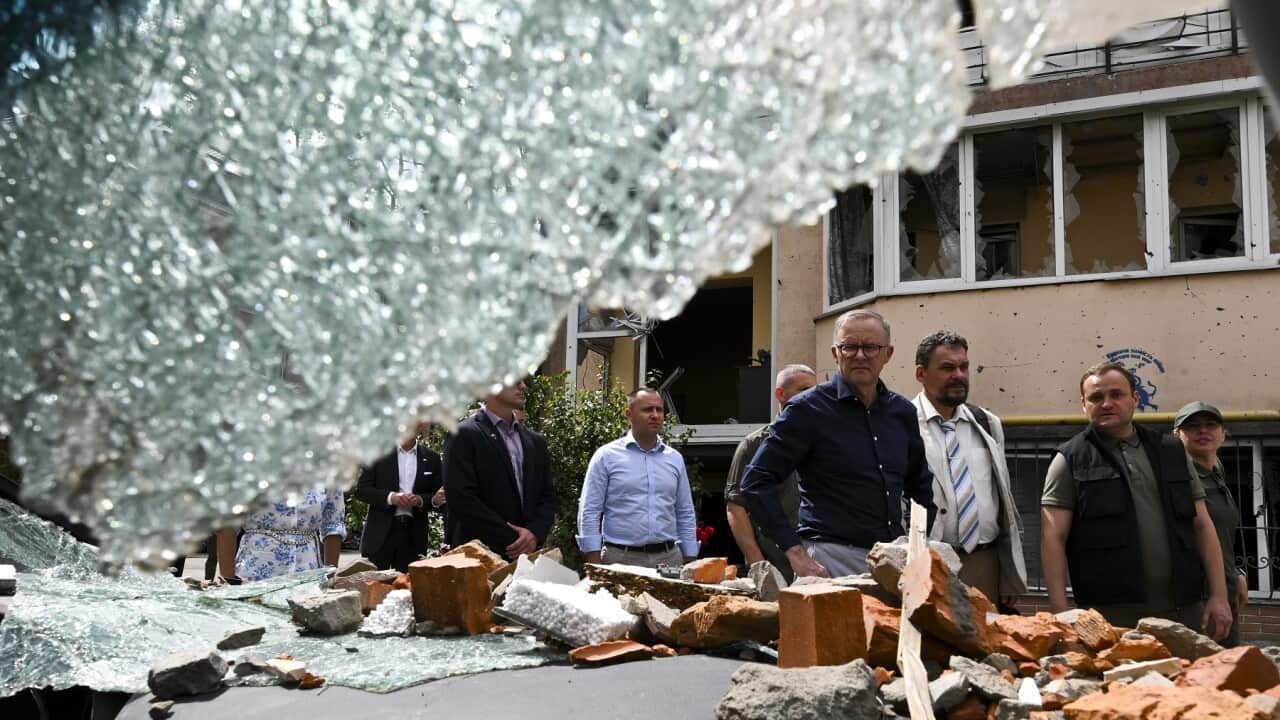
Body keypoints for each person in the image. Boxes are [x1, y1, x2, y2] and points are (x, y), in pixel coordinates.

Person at [1040, 361, 1232, 639]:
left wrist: (1219, 596)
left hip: (1184, 611)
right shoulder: (1069, 459)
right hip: (1111, 619)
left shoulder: (1172, 451)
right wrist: (1060, 614)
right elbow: (1052, 539)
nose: (1106, 403)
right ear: (1084, 404)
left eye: (1116, 394)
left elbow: (1202, 525)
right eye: (1096, 397)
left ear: (1135, 398)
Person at [741, 309, 935, 579]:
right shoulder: (806, 410)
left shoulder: (901, 413)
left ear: (888, 354)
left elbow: (921, 489)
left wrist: (917, 547)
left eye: (870, 347)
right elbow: (755, 482)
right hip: (829, 564)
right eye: (849, 347)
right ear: (835, 352)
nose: (859, 355)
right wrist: (794, 552)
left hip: (893, 562)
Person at [911, 331, 1027, 605]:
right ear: (921, 373)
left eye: (964, 367)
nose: (959, 375)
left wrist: (1008, 572)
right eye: (947, 368)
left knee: (988, 644)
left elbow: (1003, 501)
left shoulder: (986, 423)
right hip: (930, 563)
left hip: (985, 562)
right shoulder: (903, 423)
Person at [576, 387, 700, 568]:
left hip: (668, 559)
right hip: (620, 559)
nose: (655, 415)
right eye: (647, 409)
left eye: (659, 409)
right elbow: (590, 510)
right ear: (629, 414)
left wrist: (690, 557)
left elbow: (685, 511)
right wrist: (593, 561)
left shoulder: (674, 459)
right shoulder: (606, 456)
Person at [444, 380, 557, 561]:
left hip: (526, 558)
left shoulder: (536, 442)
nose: (523, 386)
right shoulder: (464, 434)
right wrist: (514, 539)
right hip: (477, 558)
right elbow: (461, 498)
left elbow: (548, 496)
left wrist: (534, 533)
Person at [724, 364, 817, 581]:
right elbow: (736, 507)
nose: (811, 397)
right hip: (775, 566)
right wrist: (758, 563)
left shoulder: (824, 442)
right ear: (780, 394)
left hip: (818, 562)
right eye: (803, 390)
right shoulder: (754, 445)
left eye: (815, 391)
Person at [1175, 400, 1247, 647]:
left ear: (1223, 434)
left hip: (1225, 592)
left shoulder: (1216, 471)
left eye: (1210, 425)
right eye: (1192, 426)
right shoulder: (1178, 480)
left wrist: (1236, 573)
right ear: (1177, 436)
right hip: (1198, 601)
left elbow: (1222, 533)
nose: (1203, 431)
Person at [356, 420, 446, 571]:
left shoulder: (432, 458)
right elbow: (362, 490)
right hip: (380, 534)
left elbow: (439, 497)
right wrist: (392, 498)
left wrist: (420, 500)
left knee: (407, 590)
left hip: (413, 535)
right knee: (372, 587)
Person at [216, 487, 346, 583]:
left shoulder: (327, 464)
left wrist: (329, 578)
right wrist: (229, 582)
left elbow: (333, 525)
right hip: (253, 576)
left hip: (309, 576)